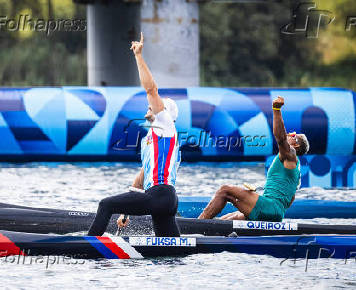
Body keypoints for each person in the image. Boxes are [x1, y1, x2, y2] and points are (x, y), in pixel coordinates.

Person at [87, 32, 181, 237]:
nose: (151, 106)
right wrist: (125, 213)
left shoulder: (165, 124)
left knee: (105, 205)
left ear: (165, 113)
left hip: (160, 195)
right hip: (165, 199)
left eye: (156, 105)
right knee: (171, 253)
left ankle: (87, 246)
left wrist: (138, 56)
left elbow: (151, 89)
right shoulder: (152, 138)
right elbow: (141, 179)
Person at [198, 96, 309, 222]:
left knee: (225, 190)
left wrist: (276, 109)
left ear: (296, 144)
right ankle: (210, 228)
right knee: (233, 217)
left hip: (270, 207)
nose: (289, 134)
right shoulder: (295, 171)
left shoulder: (290, 154)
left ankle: (196, 225)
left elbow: (280, 137)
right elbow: (290, 200)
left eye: (293, 135)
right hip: (276, 212)